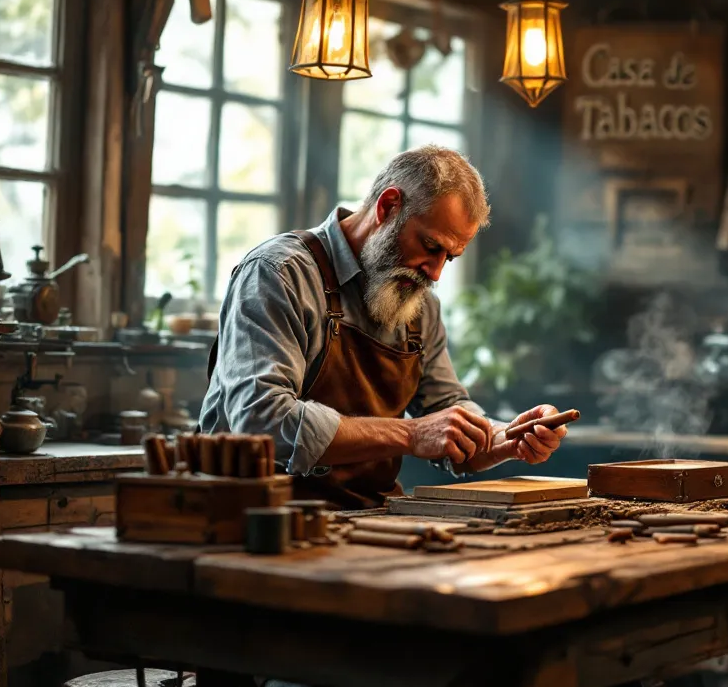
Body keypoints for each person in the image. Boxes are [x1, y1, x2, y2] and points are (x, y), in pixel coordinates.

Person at [200, 145, 567, 509]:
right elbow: (260, 418)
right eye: (430, 246)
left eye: (449, 258)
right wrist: (411, 434)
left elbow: (445, 411)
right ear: (388, 206)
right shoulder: (279, 274)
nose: (436, 273)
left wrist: (506, 436)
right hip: (253, 516)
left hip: (365, 518)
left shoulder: (419, 304)